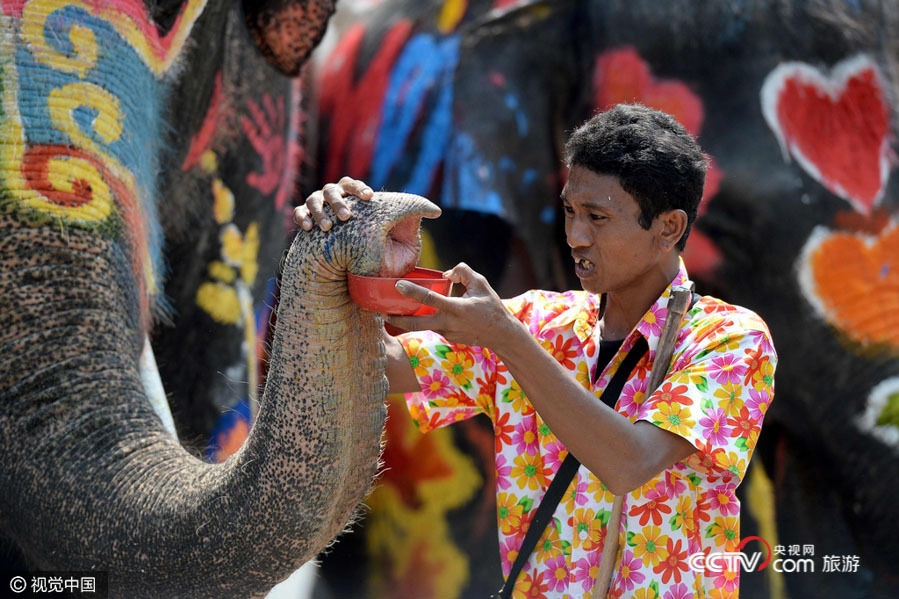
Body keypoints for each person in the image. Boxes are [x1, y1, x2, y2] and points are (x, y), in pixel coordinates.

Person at [296, 104, 776, 599]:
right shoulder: (538, 322)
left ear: (669, 228)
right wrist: (336, 248)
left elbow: (628, 465)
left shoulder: (731, 339)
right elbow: (382, 363)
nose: (575, 236)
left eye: (598, 217)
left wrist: (506, 338)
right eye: (570, 210)